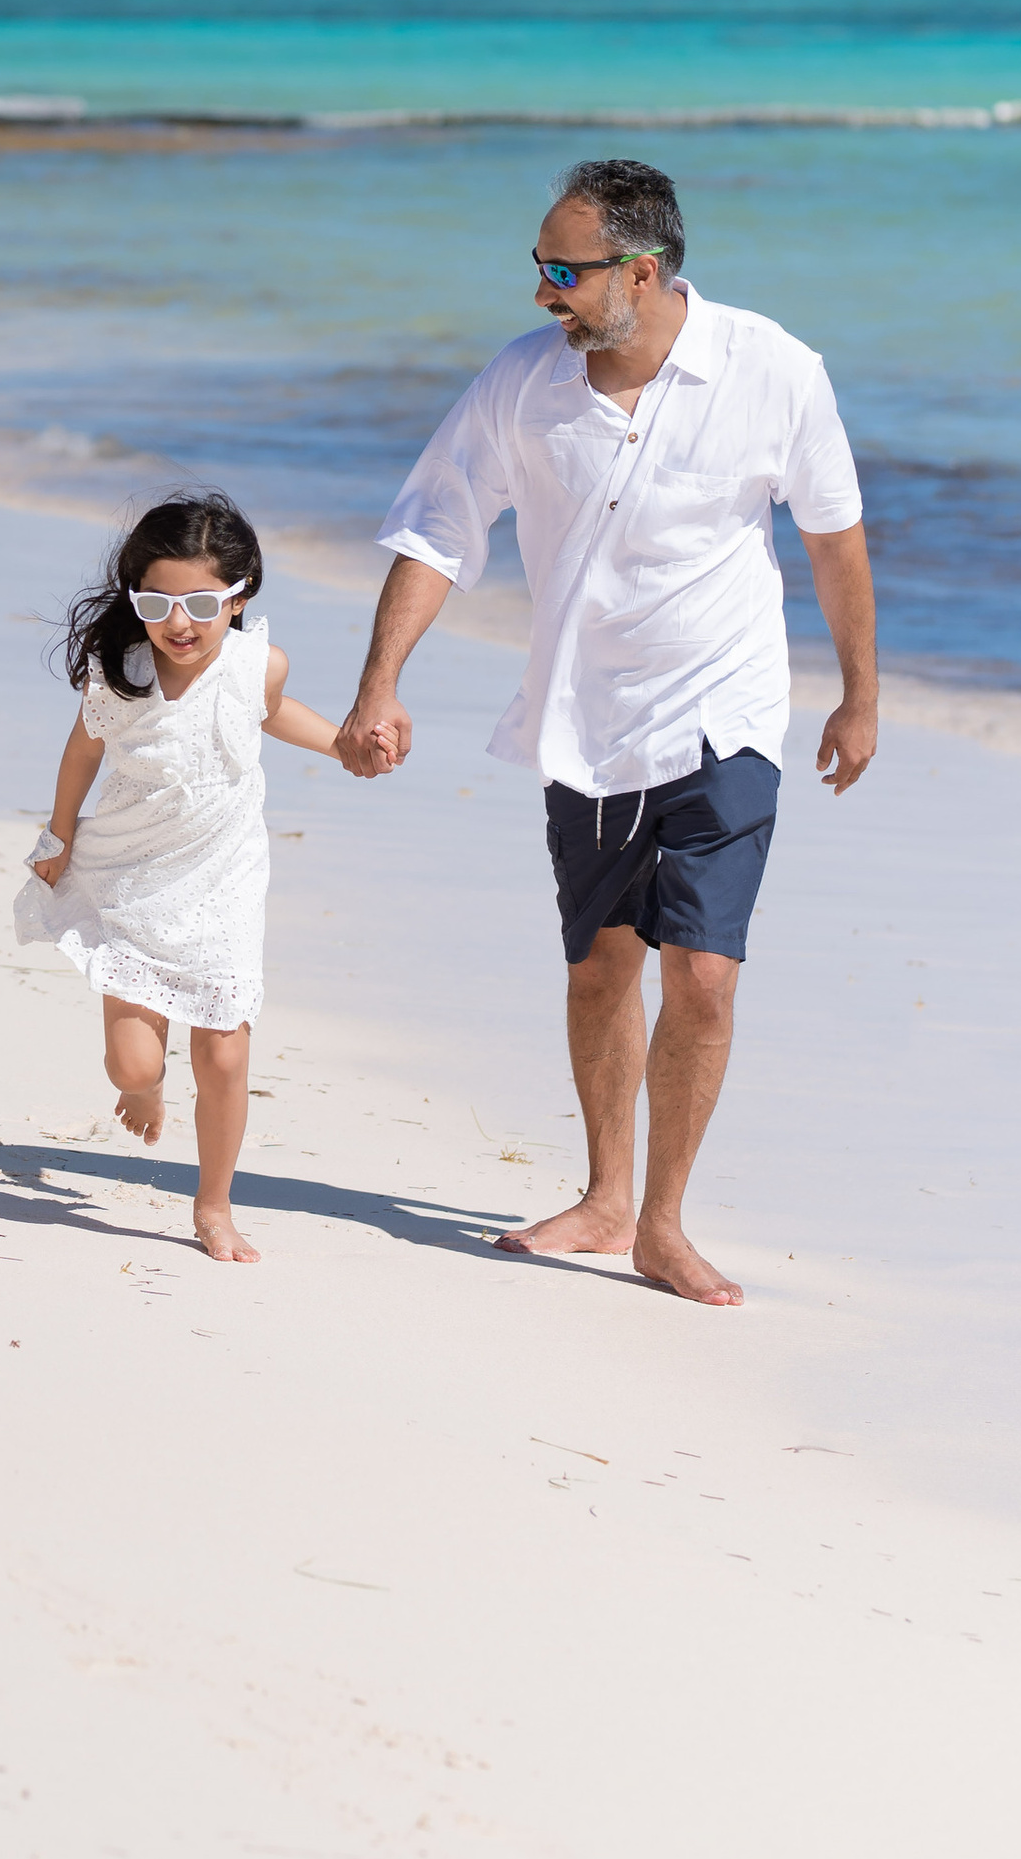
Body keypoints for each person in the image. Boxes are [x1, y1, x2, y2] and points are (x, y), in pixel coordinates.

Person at [337, 155, 875, 1305]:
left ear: (641, 269)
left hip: (726, 714)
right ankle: (603, 1197)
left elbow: (833, 537)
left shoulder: (771, 369)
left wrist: (858, 695)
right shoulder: (521, 384)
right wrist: (379, 683)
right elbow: (437, 531)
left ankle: (664, 1225)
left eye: (562, 272)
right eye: (539, 268)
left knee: (705, 976)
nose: (542, 293)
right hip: (582, 721)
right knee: (599, 968)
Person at [20, 493, 344, 1265]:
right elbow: (82, 754)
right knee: (131, 1062)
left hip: (225, 877)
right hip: (134, 876)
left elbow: (272, 711)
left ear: (239, 596)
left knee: (225, 1053)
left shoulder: (255, 663)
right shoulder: (121, 672)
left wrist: (343, 744)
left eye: (202, 602)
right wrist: (59, 831)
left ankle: (214, 1204)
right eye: (157, 602)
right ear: (135, 598)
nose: (180, 622)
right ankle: (143, 1087)